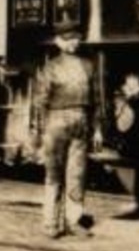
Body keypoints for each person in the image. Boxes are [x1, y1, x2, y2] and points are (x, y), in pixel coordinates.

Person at [32, 20, 99, 239]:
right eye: (67, 39)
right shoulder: (50, 67)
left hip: (81, 120)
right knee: (53, 174)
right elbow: (40, 102)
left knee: (77, 174)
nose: (72, 43)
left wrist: (97, 128)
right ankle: (51, 222)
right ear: (58, 42)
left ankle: (74, 220)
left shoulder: (89, 66)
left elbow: (96, 100)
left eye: (75, 38)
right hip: (56, 122)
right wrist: (40, 132)